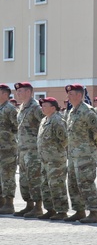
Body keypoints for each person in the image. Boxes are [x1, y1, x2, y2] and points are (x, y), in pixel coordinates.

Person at [64, 84, 97, 223]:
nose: (68, 96)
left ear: (79, 96)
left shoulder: (87, 111)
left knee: (86, 183)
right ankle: (79, 211)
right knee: (73, 183)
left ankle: (93, 212)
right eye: (68, 94)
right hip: (73, 155)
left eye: (71, 94)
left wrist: (92, 147)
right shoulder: (72, 112)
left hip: (85, 155)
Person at [33, 97, 69, 220]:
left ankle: (61, 211)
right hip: (45, 160)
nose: (42, 108)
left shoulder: (57, 120)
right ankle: (50, 209)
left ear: (53, 108)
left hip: (55, 160)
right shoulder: (44, 120)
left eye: (45, 106)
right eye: (42, 106)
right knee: (45, 185)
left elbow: (64, 140)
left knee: (57, 185)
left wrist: (55, 152)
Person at [13, 82, 45, 217]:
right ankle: (29, 205)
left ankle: (38, 207)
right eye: (17, 91)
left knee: (34, 178)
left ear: (28, 92)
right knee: (24, 179)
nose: (17, 94)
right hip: (23, 150)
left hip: (33, 150)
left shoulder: (36, 107)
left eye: (20, 91)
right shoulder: (22, 108)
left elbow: (44, 124)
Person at [0, 84, 17, 215]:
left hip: (7, 148)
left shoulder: (9, 109)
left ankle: (9, 203)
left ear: (5, 94)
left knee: (7, 176)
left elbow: (17, 127)